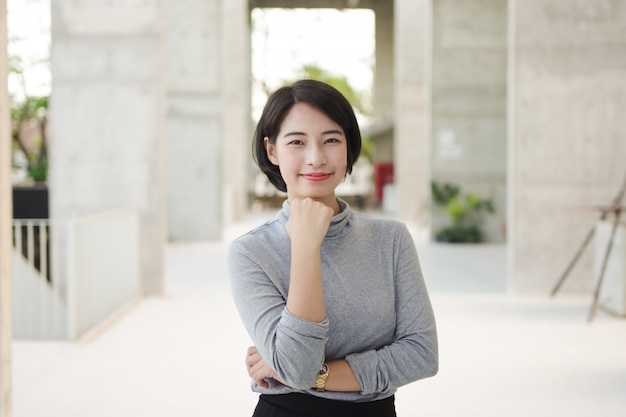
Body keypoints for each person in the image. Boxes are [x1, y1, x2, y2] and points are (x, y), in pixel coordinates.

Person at [228, 79, 438, 417]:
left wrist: (319, 374)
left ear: (348, 148)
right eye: (296, 142)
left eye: (331, 140)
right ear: (272, 151)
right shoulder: (251, 252)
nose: (316, 158)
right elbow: (296, 368)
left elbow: (421, 355)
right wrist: (306, 246)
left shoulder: (392, 239)